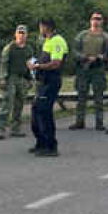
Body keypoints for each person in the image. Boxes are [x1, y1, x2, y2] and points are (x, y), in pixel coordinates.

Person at [70, 11, 108, 131]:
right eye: (94, 18)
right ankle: (79, 122)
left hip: (98, 69)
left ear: (102, 21)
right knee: (81, 96)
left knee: (98, 97)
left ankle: (99, 123)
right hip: (83, 69)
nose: (96, 20)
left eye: (99, 19)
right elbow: (74, 51)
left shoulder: (106, 36)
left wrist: (99, 57)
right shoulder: (82, 35)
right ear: (90, 20)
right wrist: (85, 57)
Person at [30, 18, 66, 157]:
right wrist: (35, 63)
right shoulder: (47, 41)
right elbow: (45, 60)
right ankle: (41, 143)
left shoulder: (57, 41)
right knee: (36, 109)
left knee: (44, 112)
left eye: (41, 26)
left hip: (51, 81)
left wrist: (38, 66)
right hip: (43, 81)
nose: (40, 29)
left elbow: (56, 63)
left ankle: (51, 146)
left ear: (46, 27)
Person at [0, 24, 34, 139]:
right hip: (11, 78)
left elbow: (30, 65)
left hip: (22, 78)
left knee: (19, 104)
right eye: (19, 33)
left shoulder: (28, 49)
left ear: (27, 35)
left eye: (23, 33)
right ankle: (0, 129)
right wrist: (2, 78)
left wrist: (31, 79)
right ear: (15, 34)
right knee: (7, 104)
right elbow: (3, 63)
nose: (21, 35)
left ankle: (15, 128)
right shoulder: (9, 48)